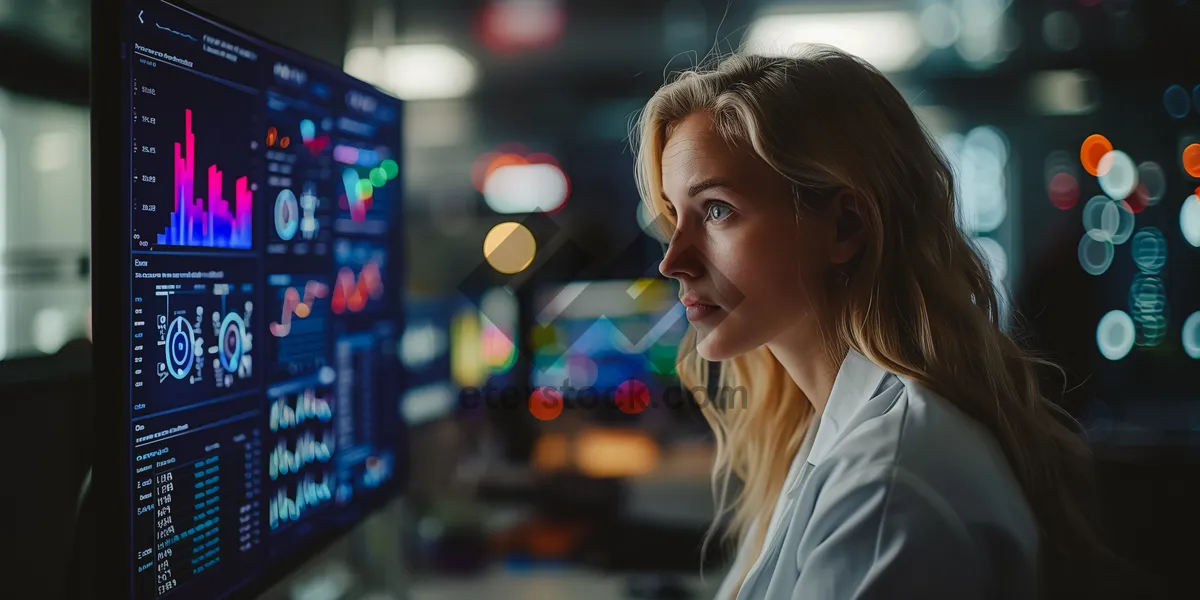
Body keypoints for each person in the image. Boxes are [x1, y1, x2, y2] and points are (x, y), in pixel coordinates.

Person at [631, 46, 1122, 599]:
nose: (673, 260)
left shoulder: (890, 488)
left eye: (717, 210)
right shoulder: (831, 435)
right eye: (674, 217)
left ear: (845, 226)